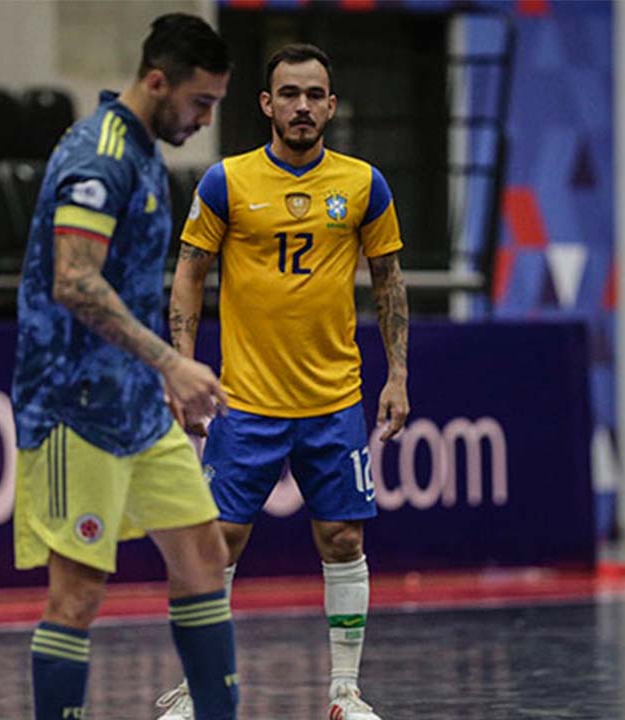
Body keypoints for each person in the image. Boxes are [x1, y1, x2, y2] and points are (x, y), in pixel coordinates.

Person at [159, 43, 409, 720]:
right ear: (267, 104)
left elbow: (387, 281)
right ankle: (197, 689)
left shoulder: (364, 184)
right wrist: (182, 366)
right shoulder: (226, 182)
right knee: (218, 544)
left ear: (331, 104)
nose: (302, 106)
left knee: (344, 540)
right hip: (248, 401)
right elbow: (188, 272)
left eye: (314, 95)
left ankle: (345, 692)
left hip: (333, 401)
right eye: (288, 94)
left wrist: (398, 376)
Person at [10, 14, 239, 720]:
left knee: (202, 557)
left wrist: (158, 378)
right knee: (77, 591)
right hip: (74, 406)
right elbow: (75, 282)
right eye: (199, 103)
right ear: (156, 80)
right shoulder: (98, 154)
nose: (205, 120)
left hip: (138, 403)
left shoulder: (144, 154)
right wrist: (172, 362)